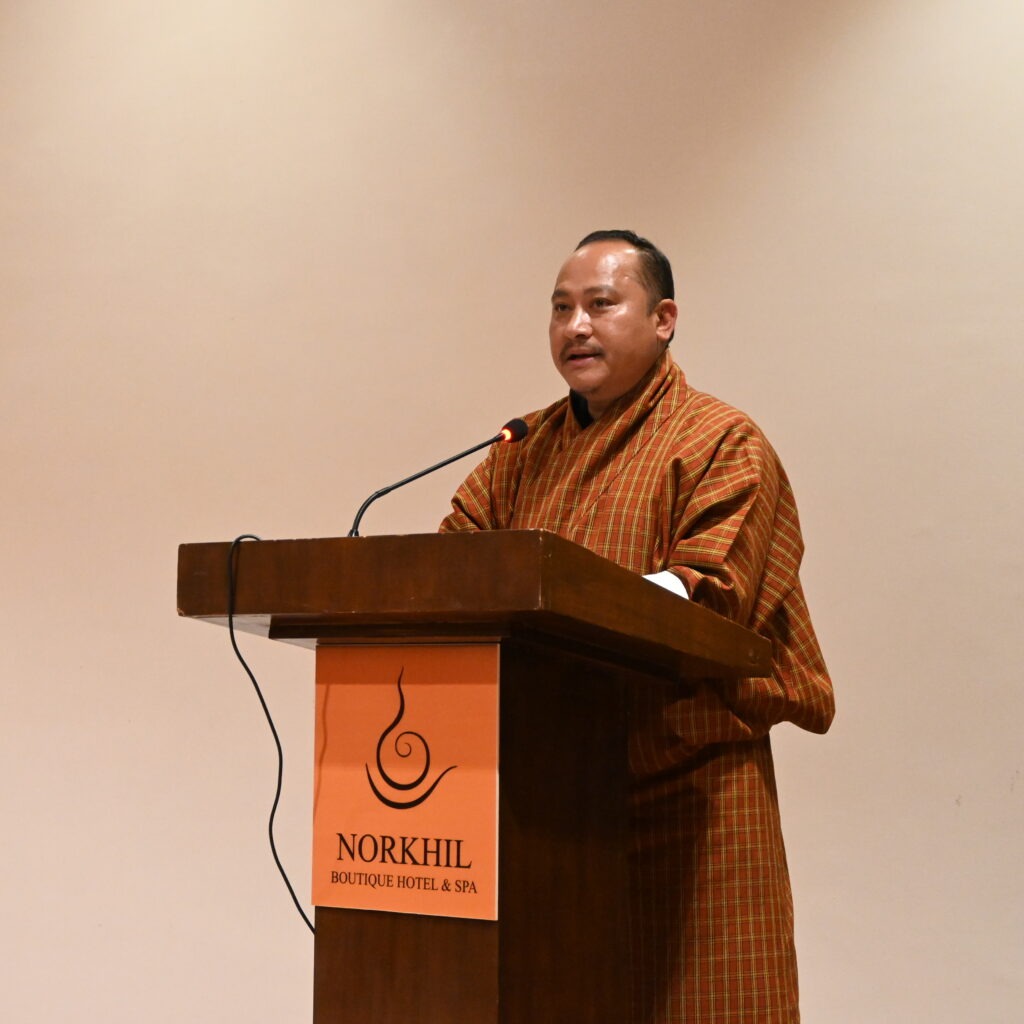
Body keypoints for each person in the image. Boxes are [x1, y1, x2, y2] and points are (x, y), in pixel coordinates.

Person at [440, 229, 835, 1023]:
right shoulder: (521, 450)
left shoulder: (720, 440)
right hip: (554, 803)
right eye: (561, 309)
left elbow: (709, 597)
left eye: (600, 304)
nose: (575, 326)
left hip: (691, 796)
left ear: (663, 320)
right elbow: (449, 568)